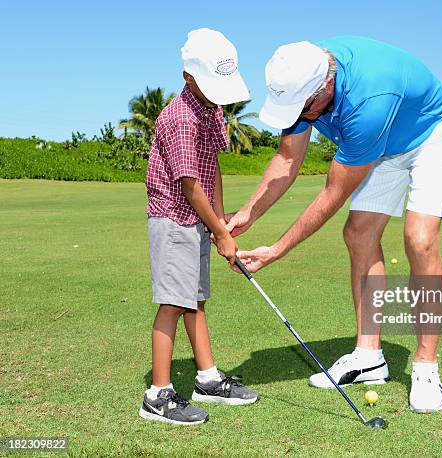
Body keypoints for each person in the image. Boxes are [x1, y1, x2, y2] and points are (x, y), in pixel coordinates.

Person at [226, 36, 442, 413]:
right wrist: (248, 213)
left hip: (429, 132)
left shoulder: (367, 102)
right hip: (384, 144)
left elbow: (331, 195)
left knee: (419, 239)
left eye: (304, 107)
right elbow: (288, 158)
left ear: (325, 86)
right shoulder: (303, 75)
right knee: (358, 234)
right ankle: (369, 356)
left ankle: (426, 365)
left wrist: (275, 250)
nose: (299, 114)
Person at [140, 28, 258, 426]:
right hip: (173, 216)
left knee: (195, 299)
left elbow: (213, 169)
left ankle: (206, 378)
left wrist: (219, 220)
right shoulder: (179, 118)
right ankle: (157, 395)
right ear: (189, 77)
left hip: (198, 215)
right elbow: (189, 184)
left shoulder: (212, 110)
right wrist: (222, 235)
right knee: (173, 302)